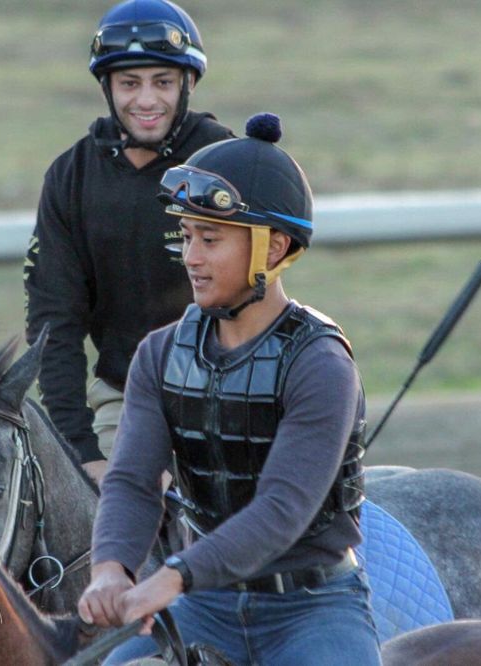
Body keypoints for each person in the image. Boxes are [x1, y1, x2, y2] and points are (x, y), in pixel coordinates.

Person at [77, 114, 381, 665]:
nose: (191, 257)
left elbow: (282, 510)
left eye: (210, 239)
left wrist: (171, 577)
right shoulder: (159, 353)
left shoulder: (320, 364)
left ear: (272, 248)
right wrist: (110, 568)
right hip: (204, 605)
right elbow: (132, 481)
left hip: (311, 611)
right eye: (187, 236)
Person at [23, 0, 234, 483]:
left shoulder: (227, 164)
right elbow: (54, 319)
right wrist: (80, 449)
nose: (146, 100)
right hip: (126, 397)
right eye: (129, 83)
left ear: (188, 85)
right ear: (107, 87)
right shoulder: (70, 177)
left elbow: (252, 297)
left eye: (162, 82)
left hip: (235, 389)